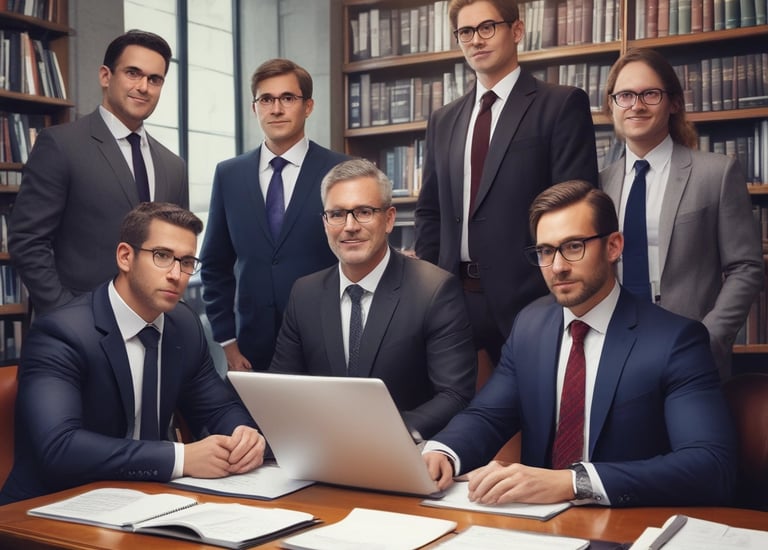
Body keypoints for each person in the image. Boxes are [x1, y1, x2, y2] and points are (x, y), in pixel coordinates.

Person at [422, 180, 737, 507]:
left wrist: (575, 483)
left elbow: (711, 465)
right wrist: (442, 452)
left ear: (613, 246)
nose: (558, 267)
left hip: (626, 520)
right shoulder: (530, 326)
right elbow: (488, 416)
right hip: (538, 521)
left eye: (573, 246)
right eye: (546, 251)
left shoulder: (676, 341)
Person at [0, 203, 265, 505]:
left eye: (187, 261)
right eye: (162, 256)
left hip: (148, 502)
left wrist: (243, 435)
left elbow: (217, 408)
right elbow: (60, 447)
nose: (177, 274)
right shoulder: (61, 334)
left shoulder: (184, 326)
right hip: (48, 506)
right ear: (125, 256)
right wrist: (180, 458)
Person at [414, 0, 599, 364]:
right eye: (465, 32)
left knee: (533, 400)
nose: (476, 40)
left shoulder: (560, 105)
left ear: (516, 30)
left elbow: (575, 211)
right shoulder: (443, 120)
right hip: (453, 300)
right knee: (456, 400)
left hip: (531, 298)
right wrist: (432, 285)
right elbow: (430, 211)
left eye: (487, 27)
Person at [269, 159, 477, 440]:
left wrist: (384, 435)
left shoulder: (434, 290)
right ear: (325, 223)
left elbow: (455, 394)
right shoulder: (304, 293)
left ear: (389, 219)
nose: (350, 226)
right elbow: (281, 388)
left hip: (403, 449)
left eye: (364, 212)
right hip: (322, 448)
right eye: (337, 214)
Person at [599, 48, 763, 379]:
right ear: (612, 105)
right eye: (625, 95)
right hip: (613, 352)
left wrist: (708, 338)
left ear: (673, 103)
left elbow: (746, 267)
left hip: (691, 353)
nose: (636, 105)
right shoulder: (599, 184)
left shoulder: (717, 174)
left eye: (650, 94)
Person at [8, 30, 188, 315]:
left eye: (154, 79)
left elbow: (178, 248)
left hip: (153, 325)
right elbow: (28, 241)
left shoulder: (173, 165)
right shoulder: (61, 145)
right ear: (106, 76)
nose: (143, 87)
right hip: (78, 324)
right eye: (133, 73)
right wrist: (69, 315)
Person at [200, 58, 347, 372]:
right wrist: (227, 341)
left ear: (308, 106)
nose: (276, 109)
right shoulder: (229, 175)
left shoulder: (342, 171)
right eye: (266, 99)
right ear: (254, 108)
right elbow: (214, 265)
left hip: (327, 343)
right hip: (250, 351)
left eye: (288, 98)